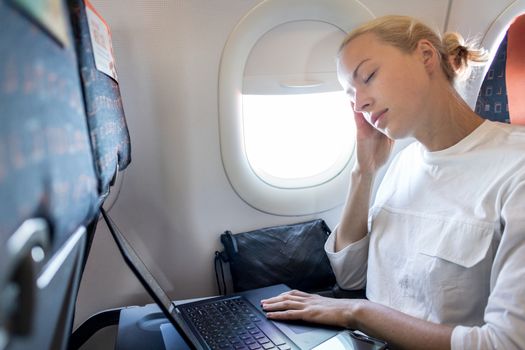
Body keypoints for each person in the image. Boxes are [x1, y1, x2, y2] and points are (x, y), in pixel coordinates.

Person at [260, 15, 525, 350]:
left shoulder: (516, 170)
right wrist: (365, 171)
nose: (359, 103)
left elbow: (505, 344)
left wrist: (356, 312)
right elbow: (352, 276)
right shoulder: (405, 164)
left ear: (426, 55)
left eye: (368, 76)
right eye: (350, 95)